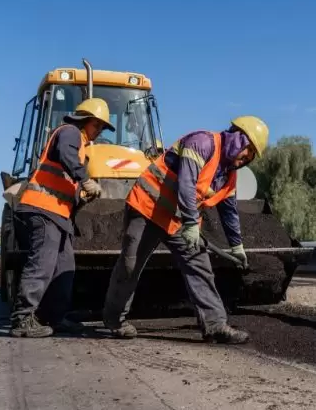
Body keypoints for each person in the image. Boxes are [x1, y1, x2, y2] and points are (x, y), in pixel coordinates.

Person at [102, 115, 268, 344]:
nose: (246, 158)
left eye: (251, 157)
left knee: (200, 267)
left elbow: (228, 211)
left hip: (179, 221)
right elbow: (186, 183)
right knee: (130, 265)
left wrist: (236, 245)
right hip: (148, 208)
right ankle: (115, 320)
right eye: (248, 150)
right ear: (238, 138)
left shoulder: (229, 175)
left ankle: (215, 325)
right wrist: (191, 221)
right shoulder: (202, 143)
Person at [10, 98, 114, 338]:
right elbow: (65, 155)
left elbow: (65, 183)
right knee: (42, 264)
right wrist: (85, 179)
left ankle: (54, 317)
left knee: (64, 268)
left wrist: (81, 197)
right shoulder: (70, 133)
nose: (98, 132)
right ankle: (22, 318)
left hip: (58, 215)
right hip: (42, 209)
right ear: (85, 121)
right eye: (97, 126)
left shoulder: (82, 149)